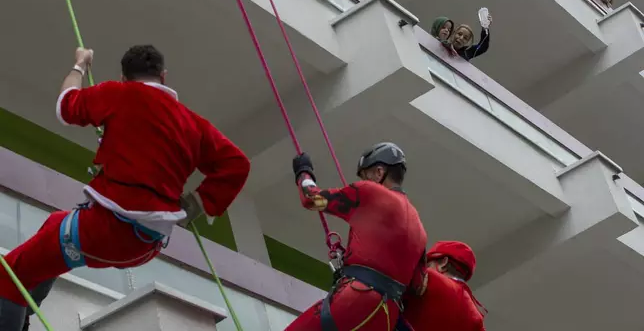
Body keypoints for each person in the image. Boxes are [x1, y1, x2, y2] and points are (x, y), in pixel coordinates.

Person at [0, 45, 251, 331]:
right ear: (163, 77)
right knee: (54, 226)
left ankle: (15, 311)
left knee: (8, 274)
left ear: (123, 76)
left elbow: (65, 104)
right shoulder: (193, 123)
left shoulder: (117, 94)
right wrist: (194, 204)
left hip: (106, 231)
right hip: (146, 244)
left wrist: (80, 64)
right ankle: (24, 309)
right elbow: (237, 164)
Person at [285, 142, 428, 331]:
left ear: (379, 172)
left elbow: (311, 198)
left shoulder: (371, 192)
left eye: (366, 176)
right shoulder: (419, 228)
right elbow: (418, 285)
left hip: (356, 299)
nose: (364, 181)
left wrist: (304, 171)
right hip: (386, 318)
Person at [401, 241, 486, 331]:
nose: (425, 269)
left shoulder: (428, 278)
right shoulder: (476, 317)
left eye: (428, 264)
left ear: (443, 263)